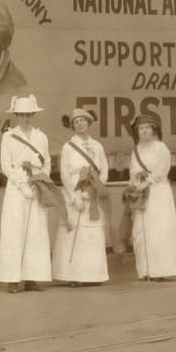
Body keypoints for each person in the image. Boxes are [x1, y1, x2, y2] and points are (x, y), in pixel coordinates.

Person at [0, 94, 52, 293]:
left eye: (29, 115)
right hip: (17, 188)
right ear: (16, 116)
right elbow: (5, 166)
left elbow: (46, 163)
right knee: (14, 232)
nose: (26, 119)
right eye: (22, 115)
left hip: (37, 187)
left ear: (34, 115)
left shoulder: (41, 137)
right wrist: (22, 184)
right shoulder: (8, 137)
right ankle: (12, 279)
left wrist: (40, 179)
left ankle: (32, 278)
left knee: (36, 233)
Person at [51, 107, 109, 287]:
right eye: (76, 122)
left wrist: (96, 187)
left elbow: (104, 170)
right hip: (74, 192)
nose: (80, 124)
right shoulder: (68, 147)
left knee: (91, 233)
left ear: (88, 123)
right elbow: (65, 174)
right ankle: (73, 275)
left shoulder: (97, 146)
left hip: (92, 191)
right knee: (74, 232)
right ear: (72, 126)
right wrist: (74, 194)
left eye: (83, 120)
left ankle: (93, 275)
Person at [126, 111, 176, 282]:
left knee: (160, 229)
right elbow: (132, 169)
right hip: (141, 192)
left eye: (147, 128)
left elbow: (162, 169)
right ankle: (146, 270)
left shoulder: (161, 148)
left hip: (158, 192)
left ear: (154, 130)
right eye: (141, 129)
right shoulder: (136, 150)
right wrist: (135, 183)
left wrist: (148, 181)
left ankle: (162, 269)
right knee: (141, 230)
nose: (144, 131)